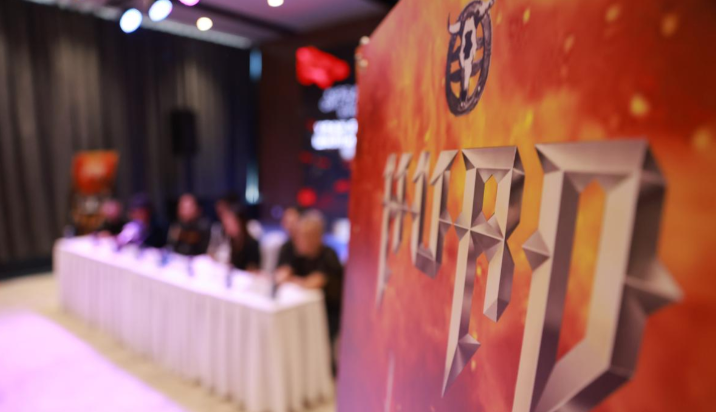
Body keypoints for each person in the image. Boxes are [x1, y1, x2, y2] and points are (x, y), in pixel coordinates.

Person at [276, 210, 343, 343]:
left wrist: (292, 280)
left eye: (305, 235)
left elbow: (312, 283)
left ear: (317, 236)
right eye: (299, 234)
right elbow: (281, 277)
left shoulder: (329, 255)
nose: (299, 239)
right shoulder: (294, 252)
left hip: (325, 317)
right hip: (298, 314)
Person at [221, 207, 261, 272]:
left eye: (230, 223)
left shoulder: (252, 244)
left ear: (240, 223)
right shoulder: (232, 240)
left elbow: (253, 270)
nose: (226, 227)